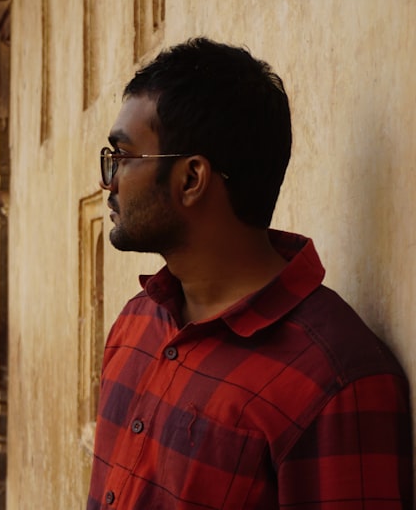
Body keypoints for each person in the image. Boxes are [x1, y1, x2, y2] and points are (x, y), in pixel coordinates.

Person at [89, 38, 412, 509]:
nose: (108, 181)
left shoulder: (333, 380)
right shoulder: (136, 324)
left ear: (192, 179)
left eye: (122, 156)